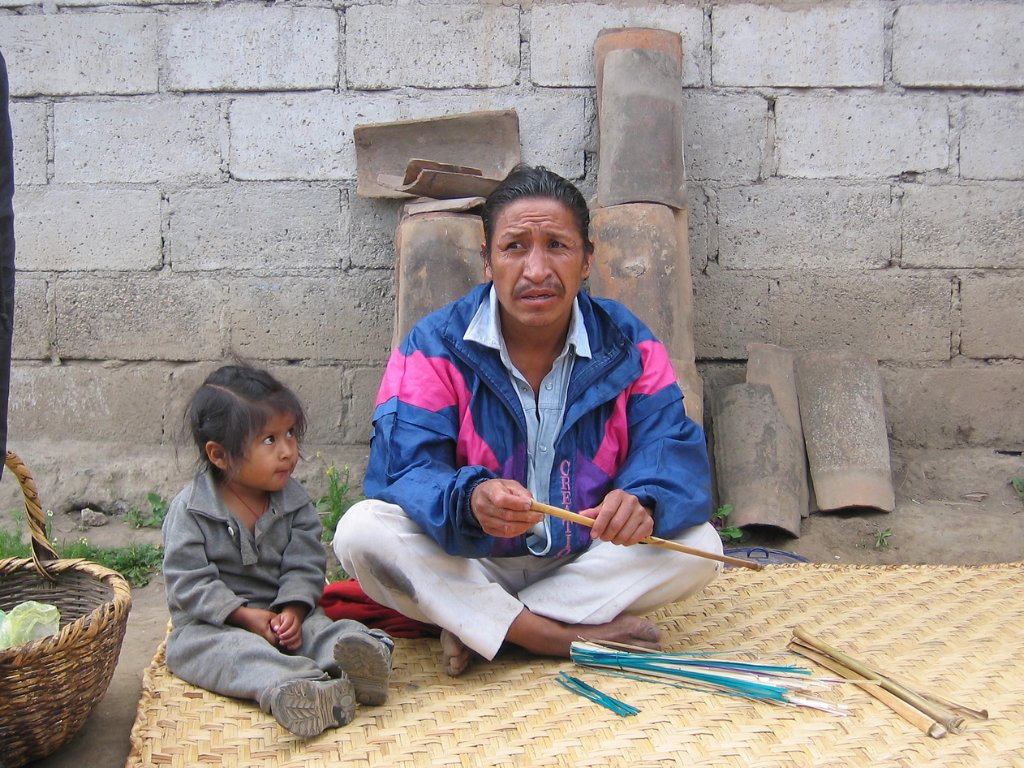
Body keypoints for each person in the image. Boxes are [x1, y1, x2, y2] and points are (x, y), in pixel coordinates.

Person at [333, 164, 722, 677]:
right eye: (515, 247)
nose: (536, 270)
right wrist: (469, 499)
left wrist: (645, 498)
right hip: (469, 558)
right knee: (361, 531)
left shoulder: (628, 343)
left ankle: (482, 624)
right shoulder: (434, 345)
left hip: (582, 559)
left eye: (557, 246)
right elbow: (404, 469)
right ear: (488, 261)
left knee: (701, 545)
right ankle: (551, 636)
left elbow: (670, 443)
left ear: (587, 259)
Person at [163, 364, 394, 737]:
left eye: (290, 434)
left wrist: (294, 609)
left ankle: (367, 658)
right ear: (219, 455)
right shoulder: (190, 511)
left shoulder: (295, 504)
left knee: (323, 632)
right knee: (224, 653)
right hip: (215, 625)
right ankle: (297, 688)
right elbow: (188, 582)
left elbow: (305, 564)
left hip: (287, 616)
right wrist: (242, 616)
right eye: (270, 440)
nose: (288, 451)